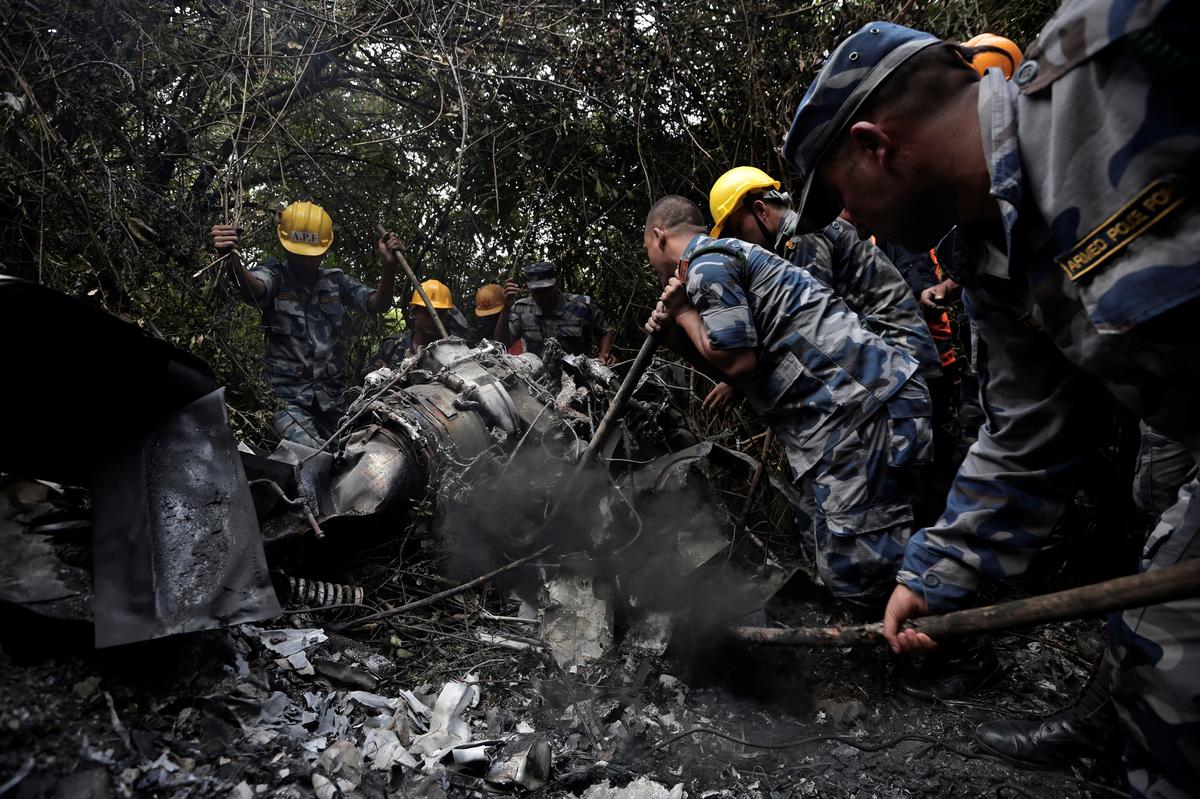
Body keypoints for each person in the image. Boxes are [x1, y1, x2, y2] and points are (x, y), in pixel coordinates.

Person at [782, 7, 1199, 795]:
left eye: (840, 197)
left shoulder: (1112, 49)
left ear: (876, 146)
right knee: (1164, 658)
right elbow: (1030, 432)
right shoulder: (993, 266)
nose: (848, 222)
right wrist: (936, 572)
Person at [642, 195, 932, 612]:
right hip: (850, 414)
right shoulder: (719, 261)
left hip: (857, 410)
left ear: (659, 236)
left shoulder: (705, 266)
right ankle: (910, 648)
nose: (652, 264)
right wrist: (675, 331)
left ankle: (957, 663)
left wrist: (685, 311)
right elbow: (729, 361)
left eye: (649, 252)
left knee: (868, 569)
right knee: (844, 556)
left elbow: (738, 362)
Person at [707, 167, 940, 384]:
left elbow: (808, 322)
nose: (740, 242)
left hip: (902, 359)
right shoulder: (798, 234)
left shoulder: (800, 236)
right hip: (897, 357)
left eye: (738, 230)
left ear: (760, 210)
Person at [211, 201, 399, 447]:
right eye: (300, 255)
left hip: (334, 402)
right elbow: (254, 290)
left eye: (314, 256)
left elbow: (377, 304)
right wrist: (233, 260)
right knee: (312, 453)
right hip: (288, 402)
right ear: (285, 245)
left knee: (365, 448)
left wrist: (389, 267)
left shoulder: (335, 281)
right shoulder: (275, 275)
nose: (308, 262)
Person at [497, 262, 616, 365]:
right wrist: (505, 308)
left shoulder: (582, 305)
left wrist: (604, 354)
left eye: (547, 289)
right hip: (538, 382)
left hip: (578, 378)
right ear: (528, 289)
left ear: (557, 284)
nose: (543, 295)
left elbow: (605, 332)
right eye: (537, 291)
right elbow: (502, 344)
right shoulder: (521, 308)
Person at [368, 280, 459, 368]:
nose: (433, 319)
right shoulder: (392, 347)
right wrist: (374, 371)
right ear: (414, 312)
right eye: (427, 313)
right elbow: (362, 378)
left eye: (440, 314)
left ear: (446, 316)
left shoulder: (455, 353)